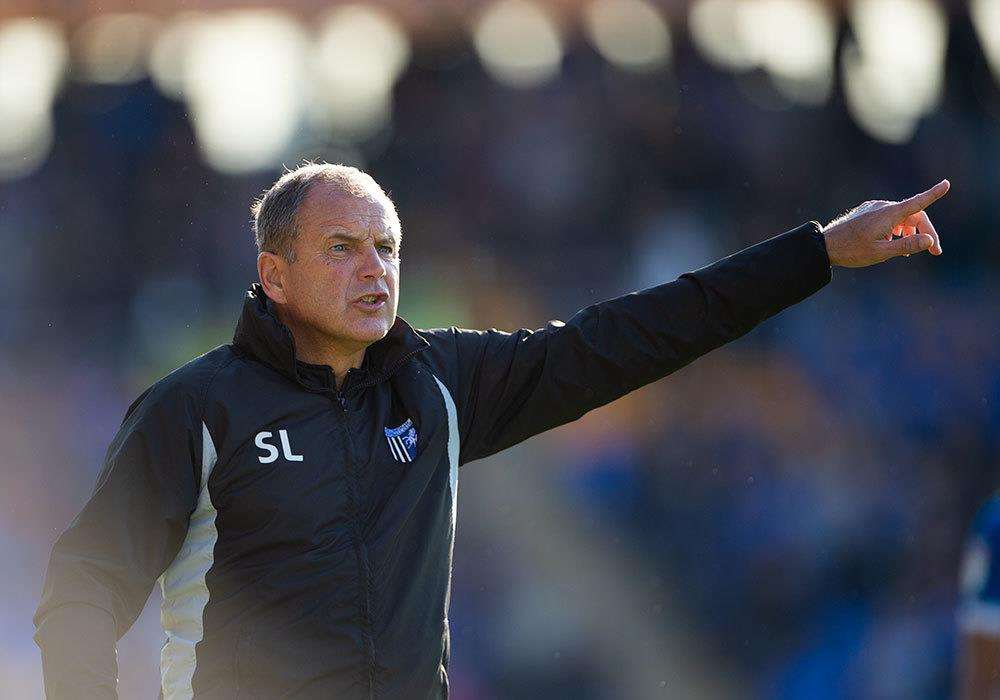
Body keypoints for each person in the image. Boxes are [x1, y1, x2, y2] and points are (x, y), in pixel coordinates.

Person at [33, 162, 949, 699]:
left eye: (387, 246)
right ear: (273, 276)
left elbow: (628, 337)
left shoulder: (438, 385)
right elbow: (81, 590)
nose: (375, 270)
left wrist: (818, 251)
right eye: (342, 248)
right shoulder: (194, 409)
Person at [957, 493, 1000, 698]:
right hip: (986, 611)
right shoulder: (992, 515)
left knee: (979, 684)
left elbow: (973, 572)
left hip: (982, 612)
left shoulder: (990, 514)